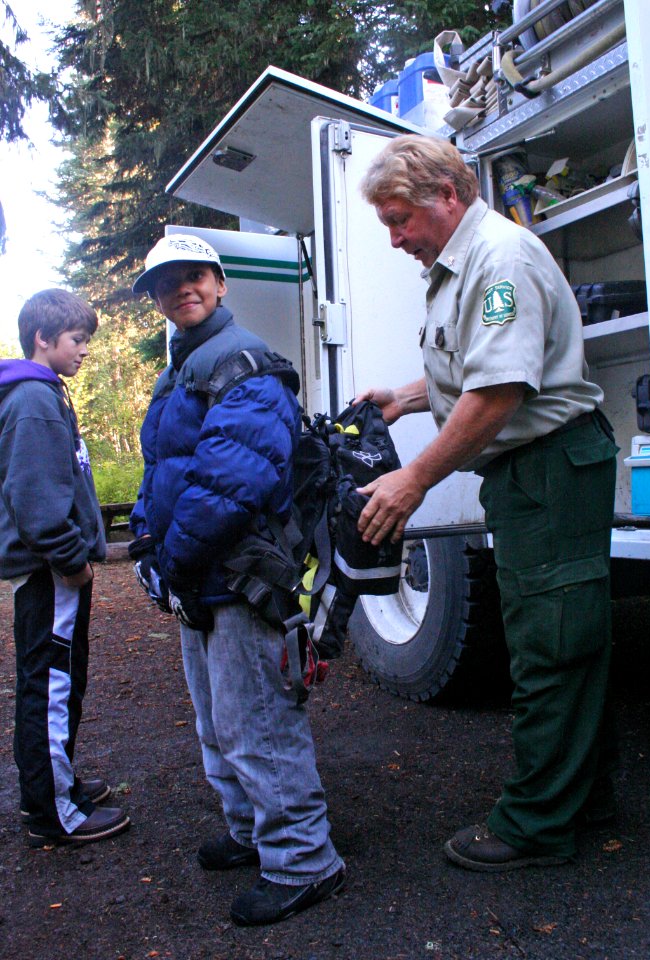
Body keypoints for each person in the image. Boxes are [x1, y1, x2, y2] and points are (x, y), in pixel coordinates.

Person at [355, 135, 618, 871]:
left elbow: (499, 393)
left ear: (448, 194)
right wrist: (408, 397)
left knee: (549, 646)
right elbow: (475, 364)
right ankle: (583, 794)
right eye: (384, 223)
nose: (395, 236)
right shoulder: (457, 263)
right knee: (568, 635)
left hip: (548, 468)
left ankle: (537, 823)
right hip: (540, 470)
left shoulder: (498, 259)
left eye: (400, 218)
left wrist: (414, 481)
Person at [129, 234, 344, 925]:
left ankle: (304, 861)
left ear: (219, 283)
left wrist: (174, 558)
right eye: (166, 283)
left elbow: (233, 481)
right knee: (218, 720)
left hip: (237, 577)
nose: (181, 289)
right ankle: (253, 831)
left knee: (257, 723)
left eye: (194, 276)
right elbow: (164, 469)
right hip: (200, 577)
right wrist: (143, 535)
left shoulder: (246, 362)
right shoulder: (182, 367)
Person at [0, 289, 130, 846]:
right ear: (43, 340)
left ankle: (58, 782)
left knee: (60, 680)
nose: (84, 352)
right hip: (50, 572)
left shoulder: (45, 394)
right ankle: (53, 812)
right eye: (78, 341)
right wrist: (72, 562)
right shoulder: (32, 399)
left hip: (54, 571)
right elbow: (35, 497)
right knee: (49, 686)